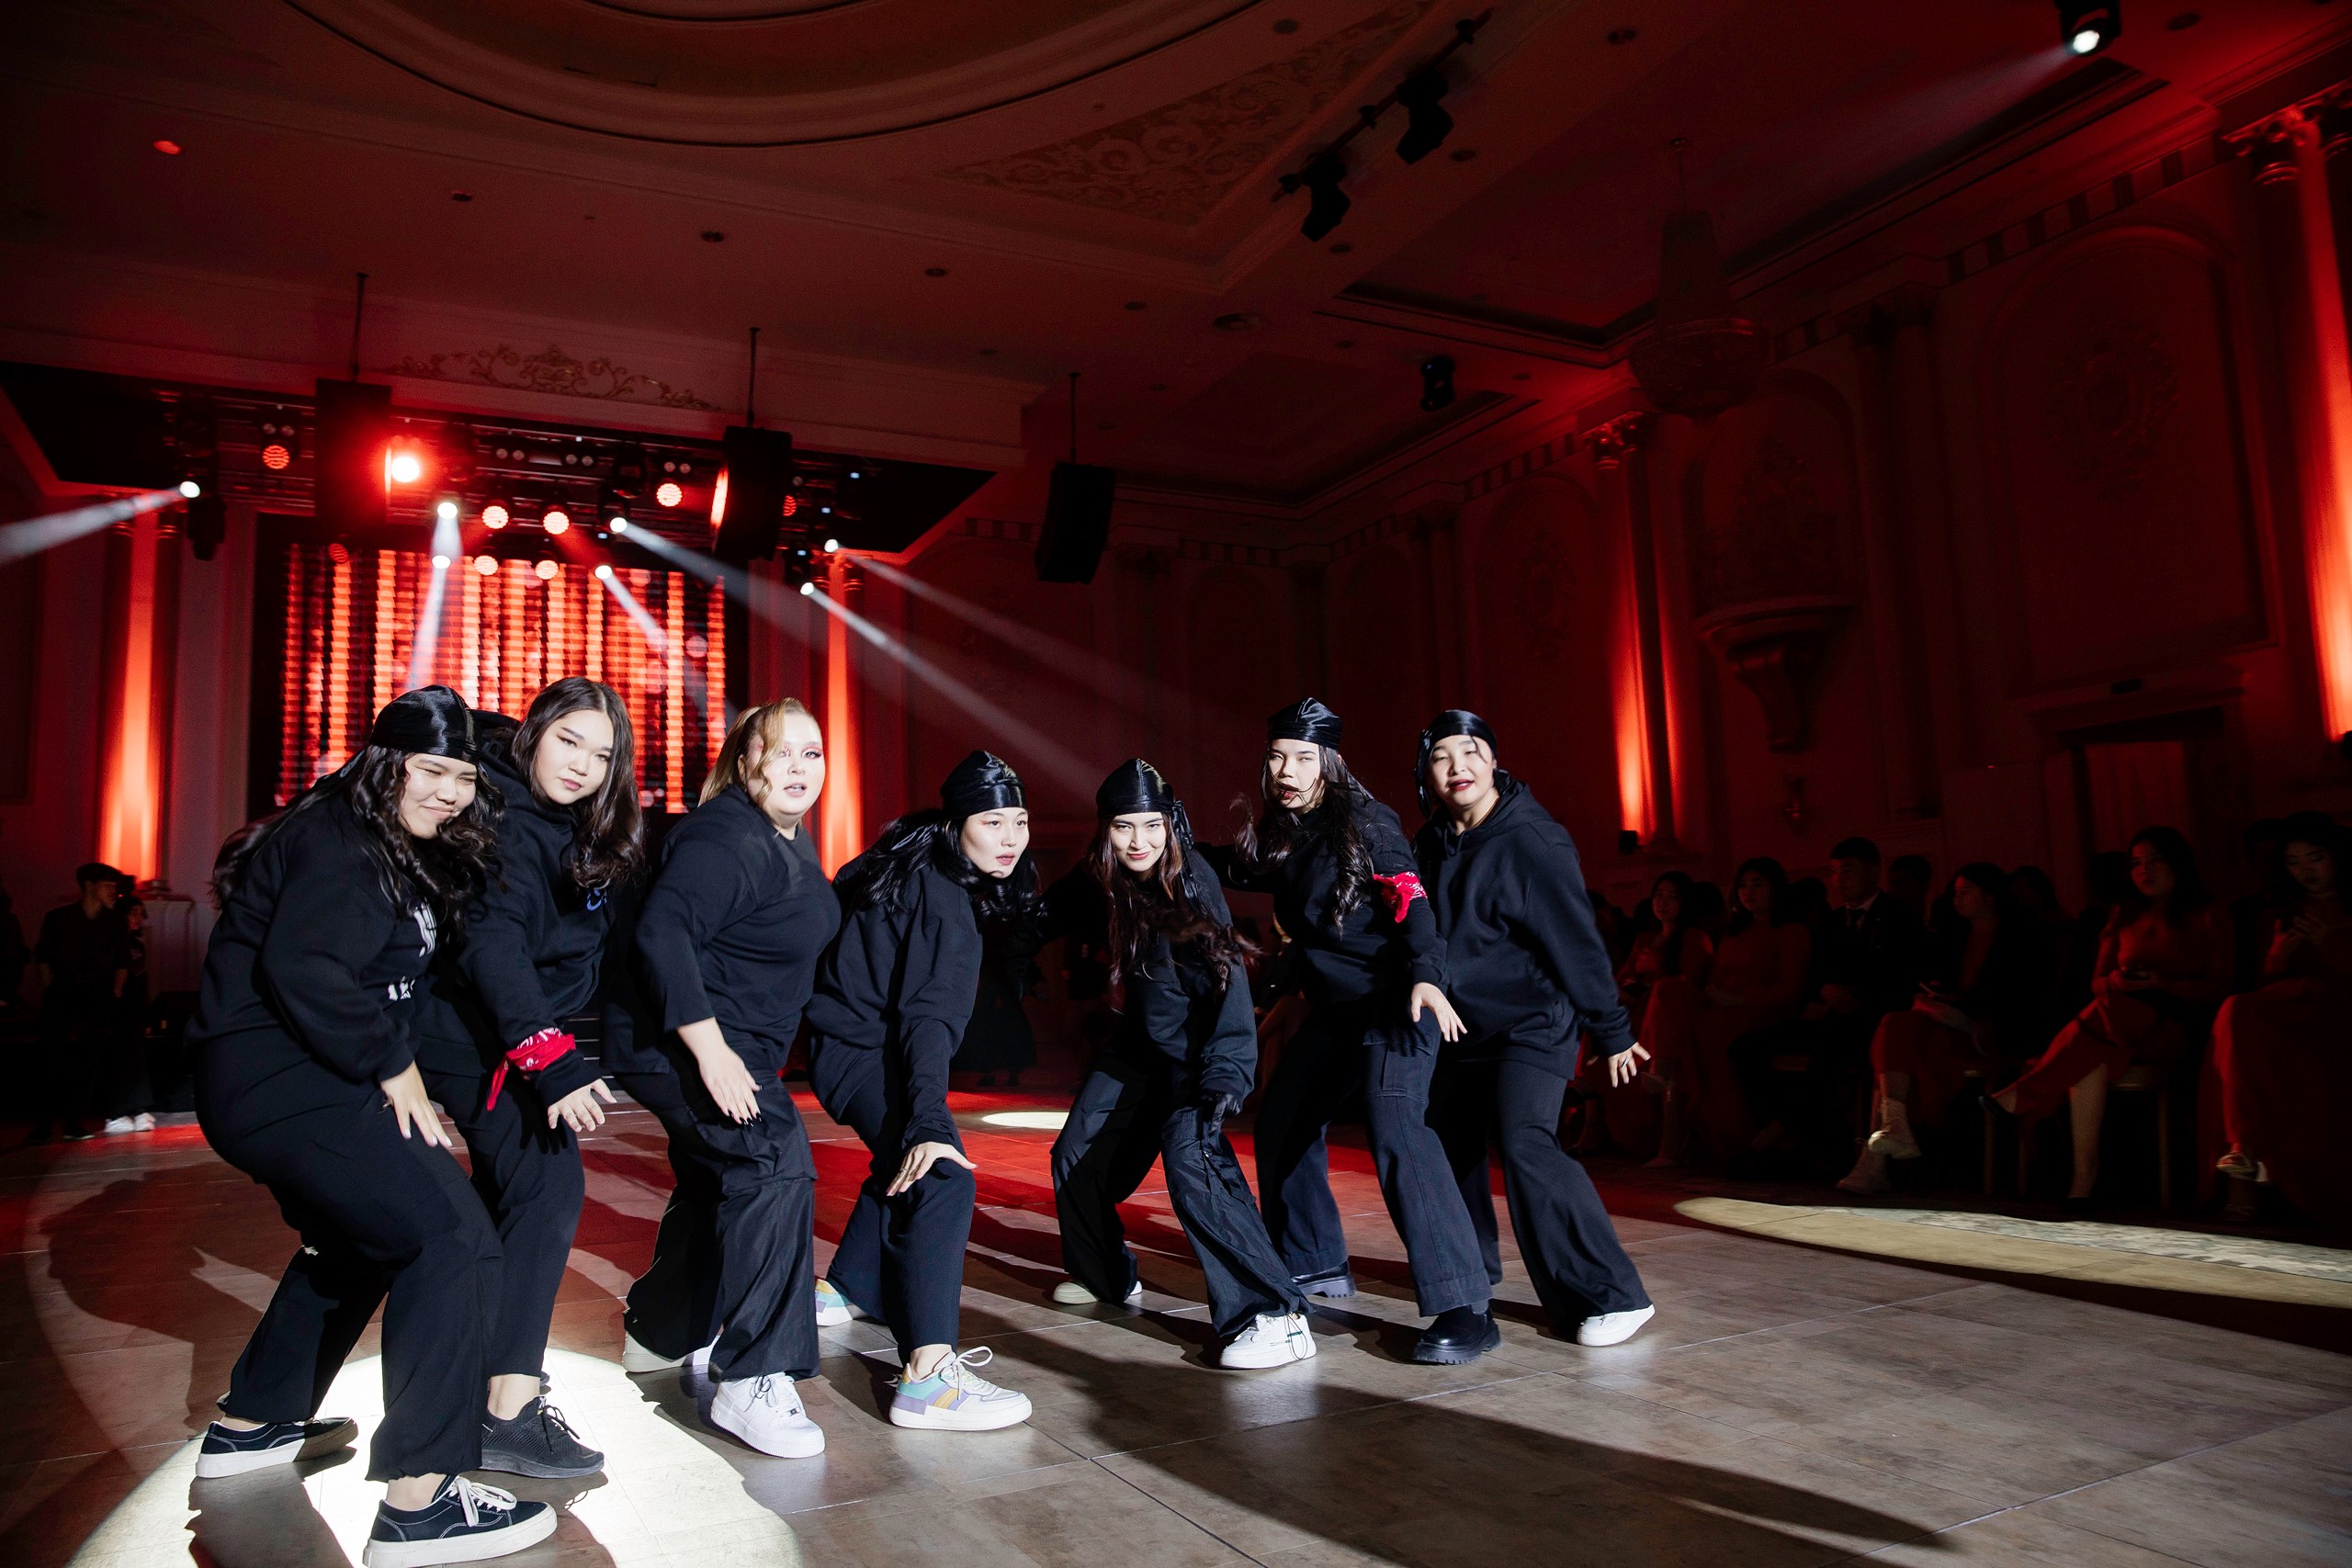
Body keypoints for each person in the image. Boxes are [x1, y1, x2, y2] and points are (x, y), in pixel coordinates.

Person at [189, 686, 554, 1566]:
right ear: (386, 762)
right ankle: (421, 1501)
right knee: (454, 1238)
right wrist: (393, 1065)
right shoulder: (338, 837)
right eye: (432, 771)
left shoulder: (391, 841)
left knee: (362, 1239)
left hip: (291, 1082)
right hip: (284, 1083)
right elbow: (308, 967)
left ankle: (255, 1419)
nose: (450, 793)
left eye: (464, 779)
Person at [411, 679, 642, 1480]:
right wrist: (552, 1060)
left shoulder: (569, 824)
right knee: (546, 1188)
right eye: (569, 740)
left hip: (493, 1037)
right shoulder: (502, 815)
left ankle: (261, 1408)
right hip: (468, 1039)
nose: (582, 764)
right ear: (534, 732)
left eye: (601, 755)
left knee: (489, 1212)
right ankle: (508, 1409)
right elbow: (492, 944)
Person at [1381, 711, 1654, 1360]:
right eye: (1442, 757)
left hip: (1534, 1021)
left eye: (1472, 751)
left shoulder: (1532, 841)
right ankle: (1469, 1271)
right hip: (1463, 1024)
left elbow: (1577, 941)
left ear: (1495, 762)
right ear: (1426, 774)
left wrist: (1612, 1028)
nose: (1459, 767)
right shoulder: (1432, 842)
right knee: (1446, 1141)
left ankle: (1612, 1294)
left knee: (1526, 1140)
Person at [606, 698, 839, 1458]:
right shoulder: (726, 834)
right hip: (691, 1043)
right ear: (745, 762)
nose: (799, 766)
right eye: (781, 751)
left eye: (812, 752)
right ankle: (753, 1377)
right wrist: (710, 1051)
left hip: (734, 1045)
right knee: (772, 1162)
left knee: (720, 1179)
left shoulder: (786, 836)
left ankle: (659, 1329)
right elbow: (662, 931)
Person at [1047, 759, 1318, 1370]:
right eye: (1124, 827)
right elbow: (1055, 907)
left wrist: (1226, 1069)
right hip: (1141, 1047)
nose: (1138, 841)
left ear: (1170, 825)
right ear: (1106, 830)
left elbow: (1228, 984)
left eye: (1151, 826)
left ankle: (1275, 1314)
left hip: (1197, 1057)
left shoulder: (1189, 883)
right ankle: (1105, 1273)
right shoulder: (1107, 874)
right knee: (1075, 1151)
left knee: (1194, 1164)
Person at [804, 751, 1037, 1430]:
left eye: (1019, 821)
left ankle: (844, 1287)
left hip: (843, 1044)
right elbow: (927, 1019)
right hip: (862, 1054)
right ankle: (928, 1377)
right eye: (992, 822)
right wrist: (930, 1121)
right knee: (941, 1176)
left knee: (898, 1164)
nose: (1010, 838)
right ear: (957, 822)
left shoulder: (911, 861)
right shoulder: (944, 901)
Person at [1193, 697, 1456, 1301]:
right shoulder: (1287, 832)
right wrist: (1168, 843)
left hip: (1397, 1002)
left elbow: (1410, 896)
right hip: (1339, 1011)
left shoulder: (1368, 823)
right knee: (1283, 1122)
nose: (1286, 770)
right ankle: (1313, 1260)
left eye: (1303, 758)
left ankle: (1460, 1299)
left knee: (1398, 1133)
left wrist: (1426, 972)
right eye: (1277, 757)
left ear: (1329, 763)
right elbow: (1240, 867)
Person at [1990, 827, 2231, 1204]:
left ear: (2178, 864)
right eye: (2136, 863)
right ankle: (2083, 1181)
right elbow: (2097, 983)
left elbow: (2221, 986)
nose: (2144, 870)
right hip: (2116, 1024)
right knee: (2090, 1058)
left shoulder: (2206, 913)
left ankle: (2027, 1093)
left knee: (2102, 1020)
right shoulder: (2123, 913)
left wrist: (2163, 983)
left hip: (2175, 1024)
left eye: (2155, 860)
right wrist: (2118, 981)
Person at [1838, 864, 2058, 1195]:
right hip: (1947, 1025)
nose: (1957, 900)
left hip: (1989, 1031)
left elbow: (2019, 998)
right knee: (1894, 1025)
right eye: (1955, 893)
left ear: (1989, 896)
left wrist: (1963, 1002)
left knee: (1896, 1041)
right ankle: (1891, 1131)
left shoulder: (2020, 938)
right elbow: (1937, 978)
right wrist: (1938, 996)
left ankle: (1877, 1155)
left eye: (1965, 892)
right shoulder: (1955, 938)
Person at [1731, 837, 1923, 1161]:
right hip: (1831, 1016)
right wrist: (1823, 992)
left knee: (1830, 1052)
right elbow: (1816, 972)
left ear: (1873, 871)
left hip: (1874, 1021)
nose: (1840, 879)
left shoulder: (1899, 916)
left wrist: (1858, 997)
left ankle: (1778, 1134)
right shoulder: (1833, 921)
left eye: (1848, 870)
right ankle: (1784, 1128)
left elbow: (1903, 975)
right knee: (1745, 1048)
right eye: (1834, 872)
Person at [2206, 813, 2352, 1225]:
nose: (2305, 870)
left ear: (2336, 857)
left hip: (2339, 1008)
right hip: (2292, 1007)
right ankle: (2243, 1148)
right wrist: (2277, 957)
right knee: (2237, 1012)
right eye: (2293, 862)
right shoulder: (2282, 911)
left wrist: (2332, 942)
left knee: (2247, 1022)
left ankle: (2247, 1161)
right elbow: (2267, 981)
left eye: (2315, 858)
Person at [1639, 858, 1811, 1166]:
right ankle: (1672, 1113)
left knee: (1689, 1031)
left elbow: (1789, 990)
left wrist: (1738, 998)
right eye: (1743, 885)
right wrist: (1716, 995)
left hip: (1761, 1015)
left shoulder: (1790, 932)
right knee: (1670, 993)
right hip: (1722, 1009)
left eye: (1757, 884)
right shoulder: (1736, 933)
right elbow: (1717, 977)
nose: (1748, 892)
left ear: (1775, 888)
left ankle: (1682, 1128)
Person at [1572, 872, 1713, 1158]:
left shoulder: (1694, 937)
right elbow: (1623, 977)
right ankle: (1592, 1119)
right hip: (1634, 1008)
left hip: (1667, 1017)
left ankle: (1663, 1136)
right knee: (1595, 1022)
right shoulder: (1645, 939)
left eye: (1672, 897)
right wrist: (1625, 992)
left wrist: (1644, 991)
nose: (1663, 903)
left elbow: (1690, 983)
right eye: (1659, 895)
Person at [31, 862, 131, 1142]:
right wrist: (53, 989)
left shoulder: (115, 922)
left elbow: (122, 961)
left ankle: (74, 1122)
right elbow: (43, 957)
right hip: (63, 995)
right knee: (51, 1060)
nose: (112, 892)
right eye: (107, 886)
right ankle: (44, 1124)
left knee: (88, 1061)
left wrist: (114, 992)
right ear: (89, 886)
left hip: (98, 997)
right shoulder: (59, 918)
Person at [99, 893, 158, 1134]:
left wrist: (145, 1016)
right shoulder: (110, 942)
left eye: (140, 914)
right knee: (119, 1060)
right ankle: (116, 1112)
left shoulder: (136, 946)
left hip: (133, 1011)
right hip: (114, 1011)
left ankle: (138, 1109)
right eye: (133, 913)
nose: (138, 919)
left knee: (135, 1060)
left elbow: (141, 983)